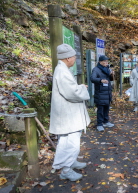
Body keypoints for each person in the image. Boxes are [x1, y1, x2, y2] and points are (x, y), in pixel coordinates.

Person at [50, 44, 90, 181]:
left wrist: (79, 87)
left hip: (68, 114)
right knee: (70, 142)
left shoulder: (62, 69)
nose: (75, 59)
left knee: (69, 140)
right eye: (74, 56)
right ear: (68, 58)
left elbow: (70, 89)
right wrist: (83, 89)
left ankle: (70, 162)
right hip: (68, 115)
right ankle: (66, 170)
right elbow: (71, 92)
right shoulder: (62, 71)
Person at [91, 55, 115, 132]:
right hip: (100, 92)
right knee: (100, 109)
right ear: (100, 62)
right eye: (104, 61)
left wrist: (111, 75)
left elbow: (110, 79)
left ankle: (106, 121)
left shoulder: (107, 69)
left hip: (107, 92)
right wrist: (101, 80)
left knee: (106, 107)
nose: (106, 63)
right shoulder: (96, 69)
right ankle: (99, 124)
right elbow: (92, 78)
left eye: (107, 61)